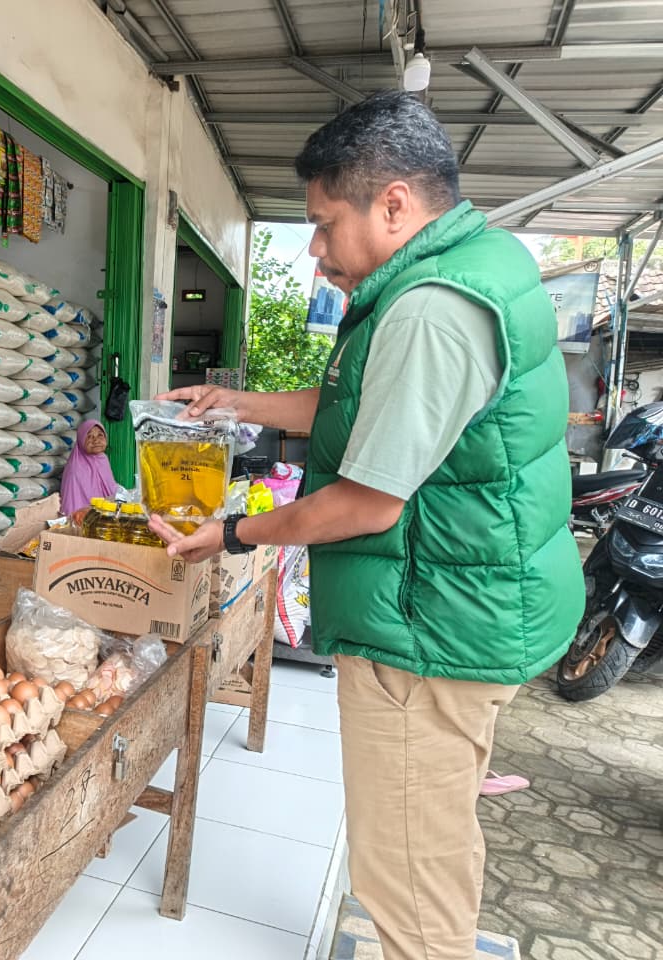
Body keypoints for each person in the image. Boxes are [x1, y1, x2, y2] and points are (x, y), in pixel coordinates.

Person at [149, 91, 581, 960]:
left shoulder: (428, 309)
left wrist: (231, 536)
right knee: (435, 848)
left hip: (427, 631)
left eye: (323, 225)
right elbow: (361, 408)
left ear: (394, 204)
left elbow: (367, 502)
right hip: (468, 607)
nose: (314, 251)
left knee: (405, 884)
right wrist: (236, 403)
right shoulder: (478, 261)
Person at [60, 420, 116, 519]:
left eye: (100, 435)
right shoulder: (75, 468)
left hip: (106, 513)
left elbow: (111, 490)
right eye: (89, 436)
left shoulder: (103, 459)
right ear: (81, 440)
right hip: (84, 519)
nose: (96, 440)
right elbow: (71, 507)